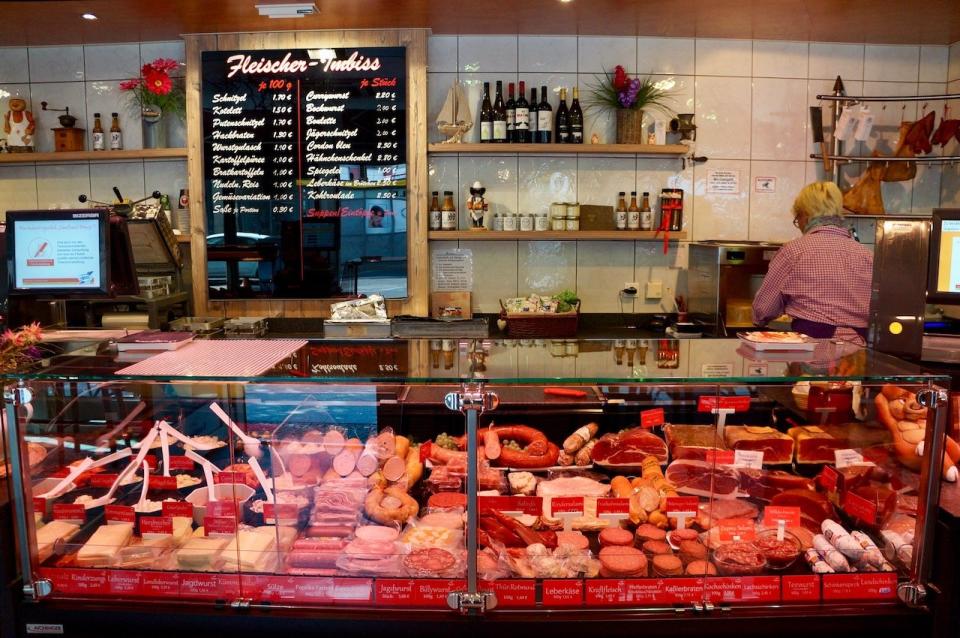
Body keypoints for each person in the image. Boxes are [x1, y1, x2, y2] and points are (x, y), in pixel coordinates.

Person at [752, 181, 873, 344]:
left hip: (811, 347)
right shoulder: (866, 254)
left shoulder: (794, 251)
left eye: (798, 219)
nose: (800, 225)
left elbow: (764, 308)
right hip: (860, 348)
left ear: (805, 215)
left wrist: (759, 321)